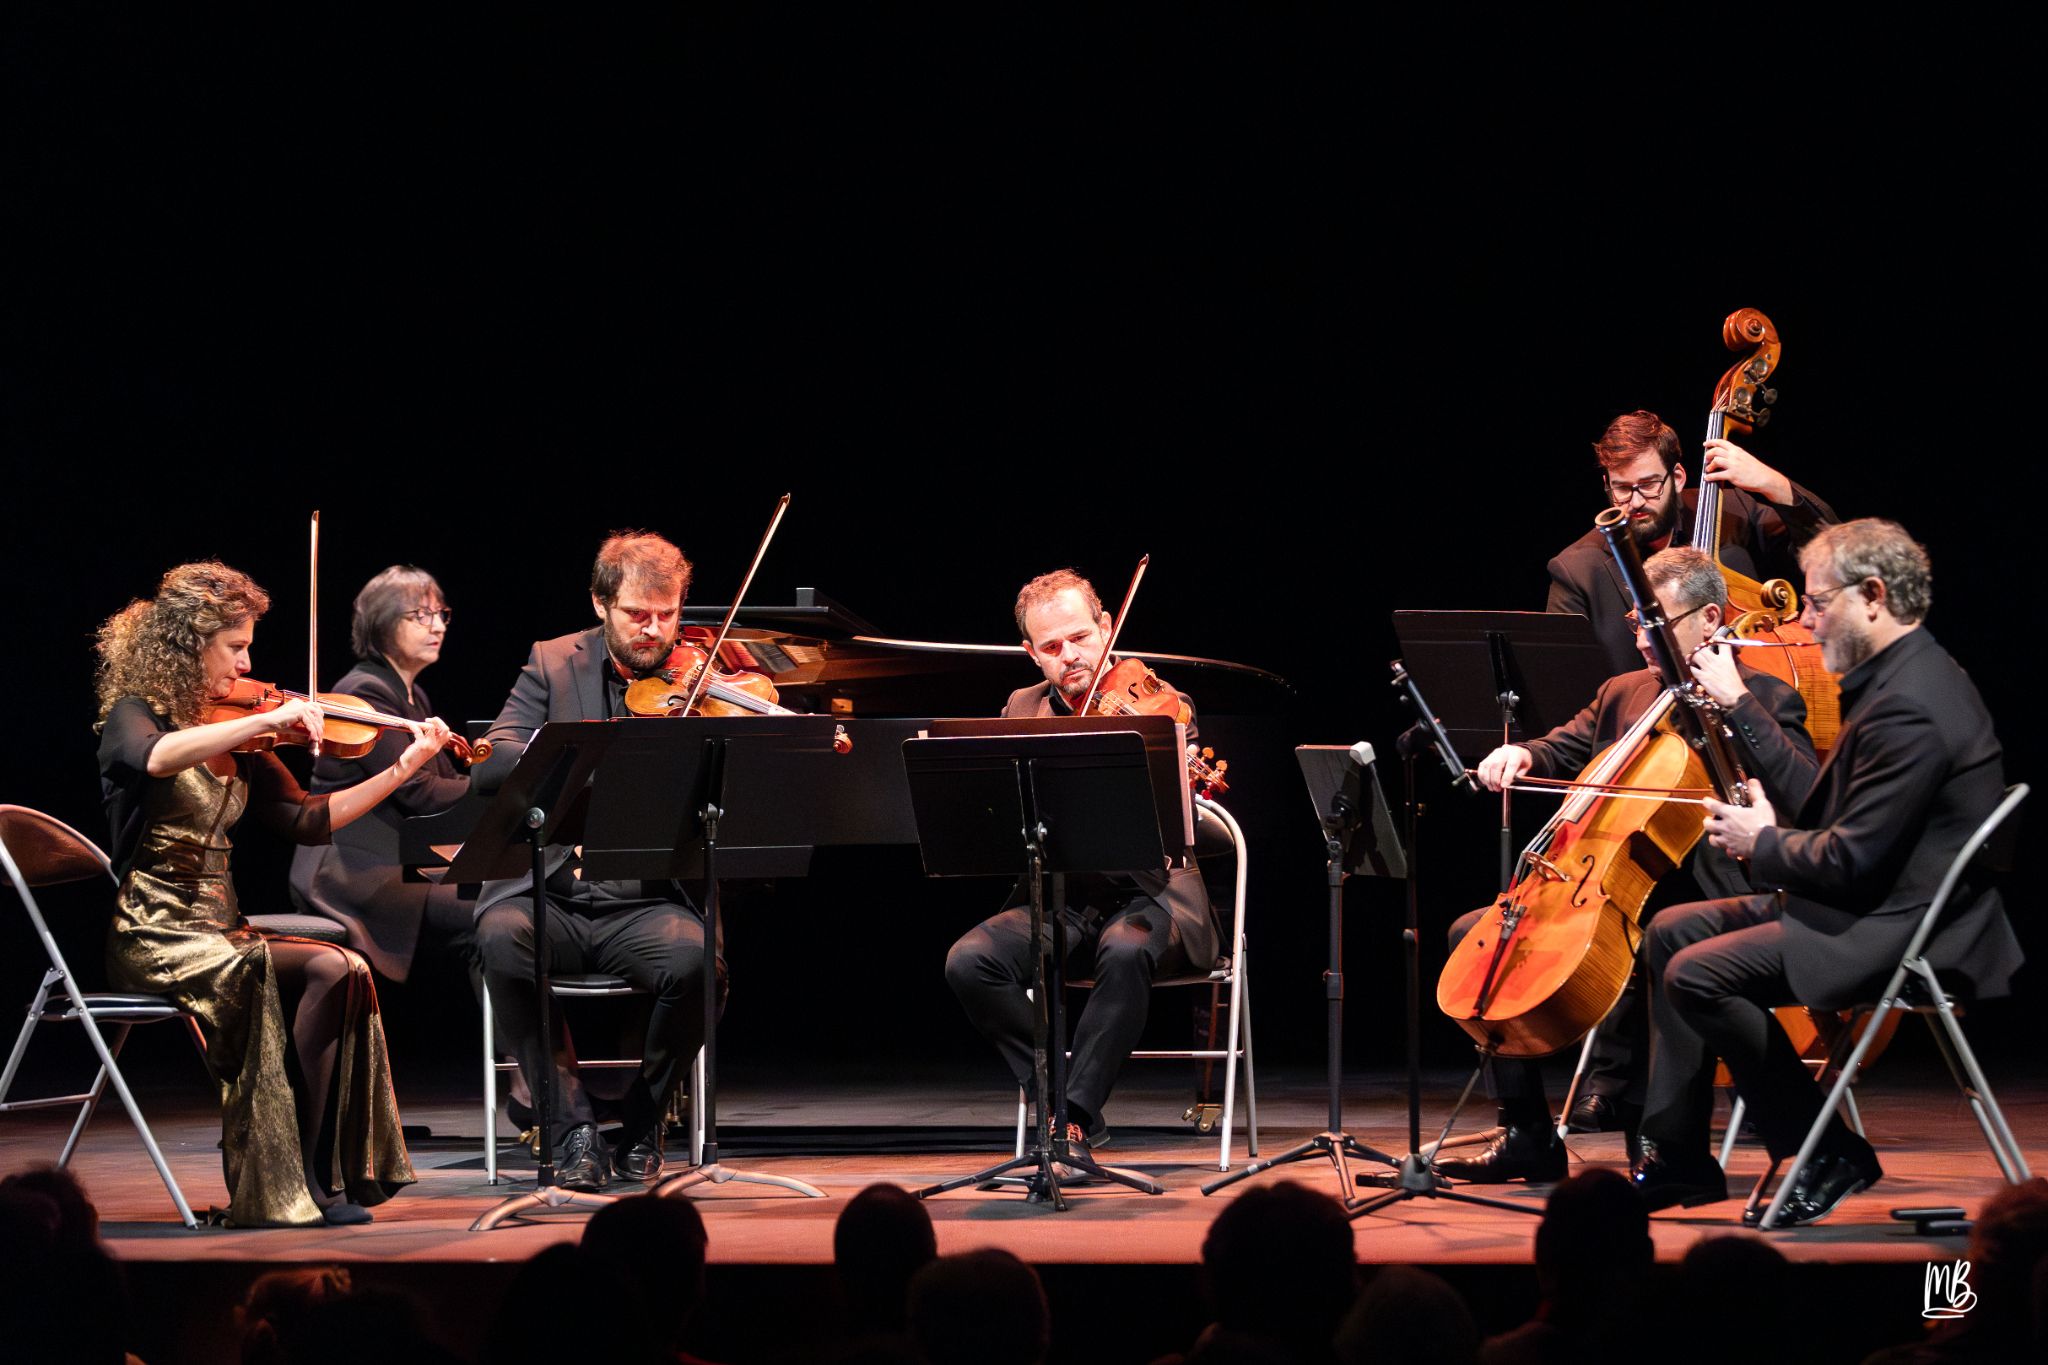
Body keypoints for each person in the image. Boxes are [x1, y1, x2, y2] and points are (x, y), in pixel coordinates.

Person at [1631, 519, 2024, 1224]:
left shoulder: (1911, 705)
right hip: (1877, 901)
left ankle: (1823, 1151)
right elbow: (1831, 817)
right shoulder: (1895, 679)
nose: (1804, 621)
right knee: (1666, 930)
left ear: (1873, 596)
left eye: (1817, 603)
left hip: (1903, 926)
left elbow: (1848, 860)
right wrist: (1773, 817)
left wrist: (1764, 840)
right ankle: (1679, 1155)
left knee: (1697, 972)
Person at [1434, 547, 1817, 1184]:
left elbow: (1805, 793)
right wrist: (1523, 756)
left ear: (1711, 617)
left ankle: (1667, 1144)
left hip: (1709, 889)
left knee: (1663, 947)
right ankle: (1528, 1132)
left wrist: (1737, 721)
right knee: (1473, 936)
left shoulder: (1763, 697)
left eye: (1656, 623)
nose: (1641, 637)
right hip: (1610, 883)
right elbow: (1563, 744)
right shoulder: (1624, 691)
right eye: (1637, 622)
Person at [94, 562, 448, 1226]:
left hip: (222, 926)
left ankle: (313, 1176)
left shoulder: (243, 728)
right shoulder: (133, 715)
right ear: (187, 643)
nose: (248, 661)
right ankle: (270, 1192)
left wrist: (403, 767)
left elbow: (307, 818)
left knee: (339, 966)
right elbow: (158, 757)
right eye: (236, 646)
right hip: (154, 932)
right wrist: (260, 725)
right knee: (260, 969)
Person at [471, 530, 719, 1191]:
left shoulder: (694, 675)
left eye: (667, 614)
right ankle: (570, 1124)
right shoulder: (554, 662)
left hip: (644, 899)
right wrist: (570, 757)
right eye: (638, 613)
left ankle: (645, 1117)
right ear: (601, 602)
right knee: (499, 938)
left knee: (697, 960)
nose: (654, 629)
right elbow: (493, 756)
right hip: (551, 893)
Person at [944, 569, 1218, 1164]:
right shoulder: (1020, 709)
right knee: (970, 961)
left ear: (1107, 627)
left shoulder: (1161, 703)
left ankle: (1074, 1116)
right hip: (1065, 899)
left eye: (1079, 638)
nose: (1070, 656)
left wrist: (1177, 766)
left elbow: (1182, 810)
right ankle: (1053, 1103)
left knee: (1124, 948)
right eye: (1051, 647)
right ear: (1032, 655)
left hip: (1156, 898)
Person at [1547, 410, 1838, 675]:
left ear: (1676, 477)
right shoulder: (1578, 569)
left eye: (1648, 485)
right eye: (1621, 488)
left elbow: (1832, 554)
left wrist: (1773, 485)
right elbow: (1565, 677)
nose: (1634, 502)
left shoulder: (1731, 510)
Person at [290, 565, 475, 983]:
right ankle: (510, 1044)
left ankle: (506, 1043)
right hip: (354, 871)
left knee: (509, 903)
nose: (438, 626)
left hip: (398, 862)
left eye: (441, 614)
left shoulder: (412, 694)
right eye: (420, 616)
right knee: (493, 910)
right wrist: (495, 788)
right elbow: (418, 791)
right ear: (382, 624)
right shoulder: (365, 692)